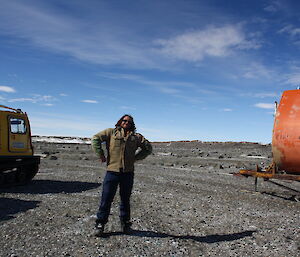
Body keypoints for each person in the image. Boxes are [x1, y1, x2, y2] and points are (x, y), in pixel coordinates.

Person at [92, 114, 152, 236]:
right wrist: (101, 154)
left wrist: (136, 158)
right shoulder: (111, 132)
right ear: (120, 121)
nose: (126, 123)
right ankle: (100, 224)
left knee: (125, 199)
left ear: (132, 124)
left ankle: (125, 224)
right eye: (124, 121)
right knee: (106, 198)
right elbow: (95, 138)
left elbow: (148, 148)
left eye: (129, 122)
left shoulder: (136, 137)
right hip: (112, 171)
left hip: (127, 173)